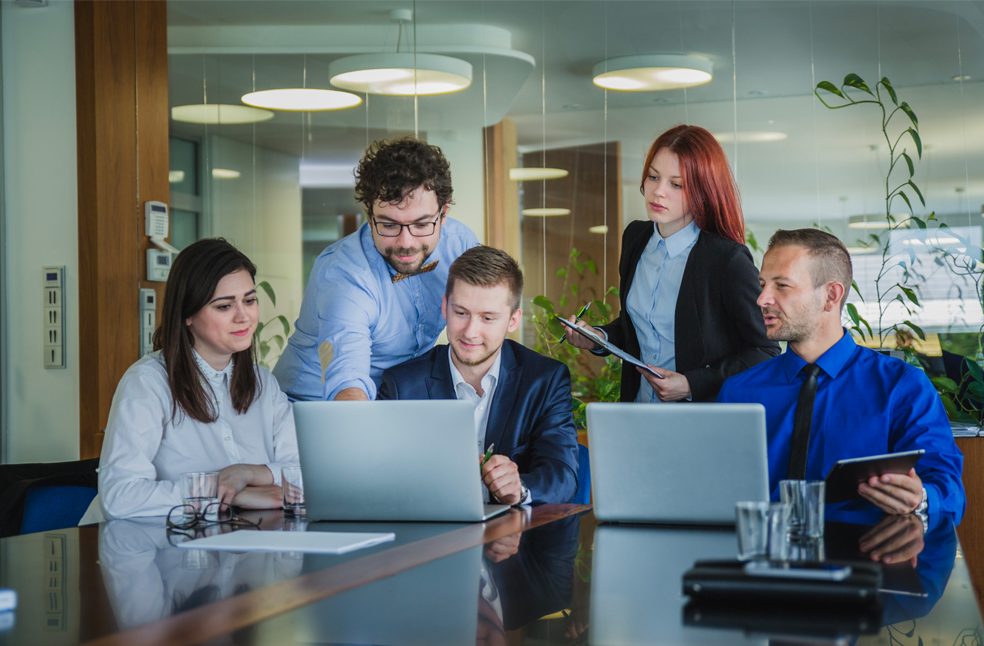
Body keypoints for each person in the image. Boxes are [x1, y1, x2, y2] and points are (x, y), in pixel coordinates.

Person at [717, 228, 965, 522]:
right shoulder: (738, 392)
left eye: (781, 286)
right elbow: (713, 487)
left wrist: (920, 497)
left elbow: (949, 492)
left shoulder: (901, 387)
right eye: (762, 285)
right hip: (761, 559)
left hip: (868, 557)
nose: (762, 299)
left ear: (830, 296)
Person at [564, 124, 778, 402]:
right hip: (639, 410)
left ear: (703, 190)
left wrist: (692, 384)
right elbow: (640, 328)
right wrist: (599, 337)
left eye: (676, 184)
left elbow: (765, 351)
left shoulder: (726, 259)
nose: (658, 192)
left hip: (699, 422)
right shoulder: (635, 238)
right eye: (653, 177)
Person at [98, 238, 299, 519]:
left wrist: (249, 474)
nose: (244, 317)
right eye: (224, 306)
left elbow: (303, 473)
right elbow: (120, 497)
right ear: (188, 314)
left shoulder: (264, 383)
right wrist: (224, 492)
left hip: (237, 541)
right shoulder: (147, 384)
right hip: (141, 550)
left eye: (250, 300)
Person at [274, 137, 478, 401]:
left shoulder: (459, 244)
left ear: (444, 213)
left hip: (393, 401)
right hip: (312, 410)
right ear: (369, 215)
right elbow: (347, 382)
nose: (406, 243)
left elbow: (487, 319)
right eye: (389, 225)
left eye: (421, 224)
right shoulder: (345, 274)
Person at [377, 246, 579, 505]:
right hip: (429, 537)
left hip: (515, 538)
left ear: (513, 320)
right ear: (444, 308)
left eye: (487, 318)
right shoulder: (401, 385)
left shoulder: (545, 380)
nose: (470, 332)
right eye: (460, 313)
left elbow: (563, 475)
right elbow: (382, 477)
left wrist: (520, 488)